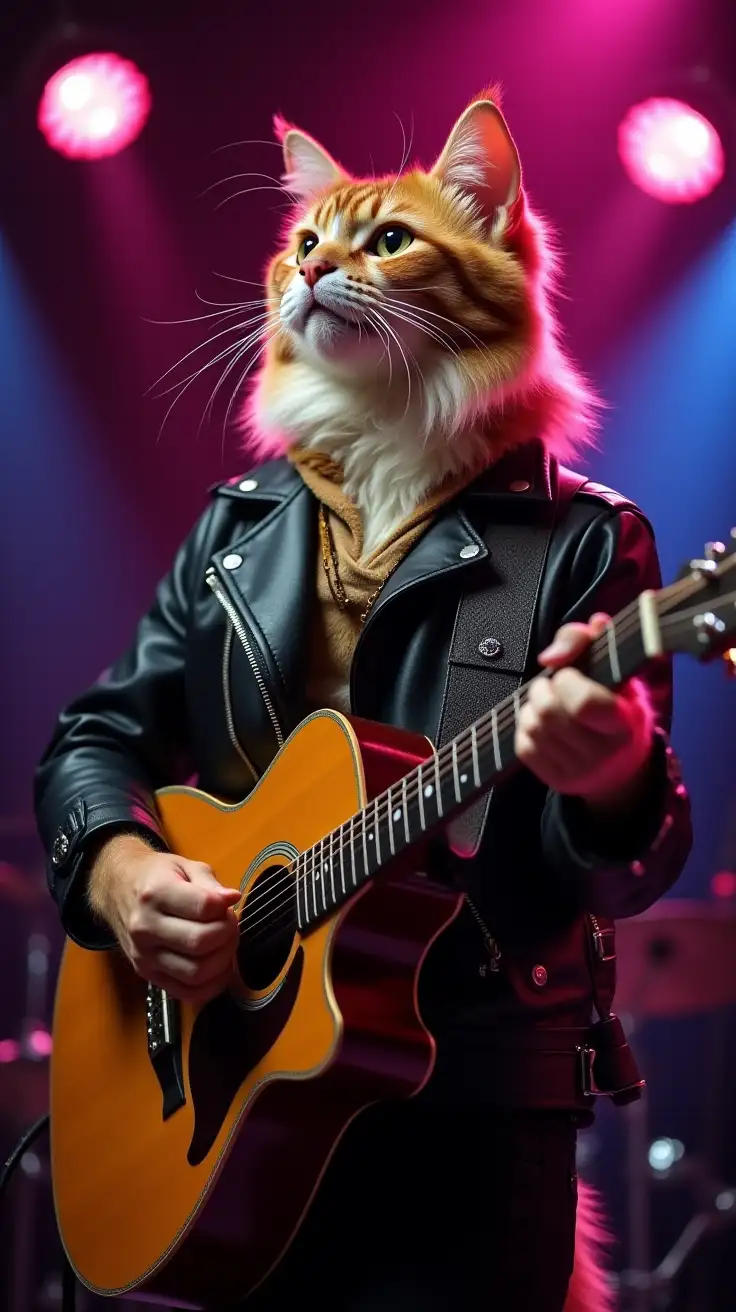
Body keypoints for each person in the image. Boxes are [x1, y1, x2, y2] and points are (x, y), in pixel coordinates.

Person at [35, 92, 692, 1310]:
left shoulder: (581, 543)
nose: (323, 261)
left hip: (467, 1120)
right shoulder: (239, 534)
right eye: (306, 245)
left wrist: (606, 776)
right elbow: (96, 740)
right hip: (230, 1106)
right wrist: (122, 877)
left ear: (494, 237)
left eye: (382, 240)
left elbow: (612, 877)